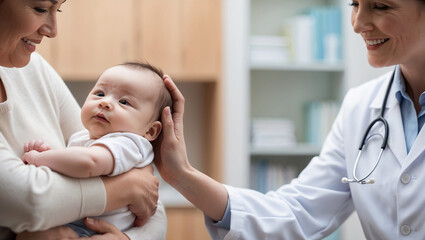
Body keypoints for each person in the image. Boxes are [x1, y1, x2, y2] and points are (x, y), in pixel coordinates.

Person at [155, 0, 425, 239]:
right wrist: (181, 175)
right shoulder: (360, 107)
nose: (357, 24)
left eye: (381, 6)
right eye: (354, 4)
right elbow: (299, 212)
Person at [0, 0, 166, 239]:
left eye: (56, 10)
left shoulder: (30, 66)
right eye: (40, 8)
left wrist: (127, 238)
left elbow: (152, 204)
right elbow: (26, 202)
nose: (53, 30)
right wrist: (128, 187)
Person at [22, 62, 172, 237]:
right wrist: (49, 155)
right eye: (100, 93)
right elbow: (71, 168)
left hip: (93, 230)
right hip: (76, 222)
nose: (105, 103)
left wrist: (40, 158)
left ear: (151, 131)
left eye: (124, 102)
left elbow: (88, 163)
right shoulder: (83, 137)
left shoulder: (129, 142)